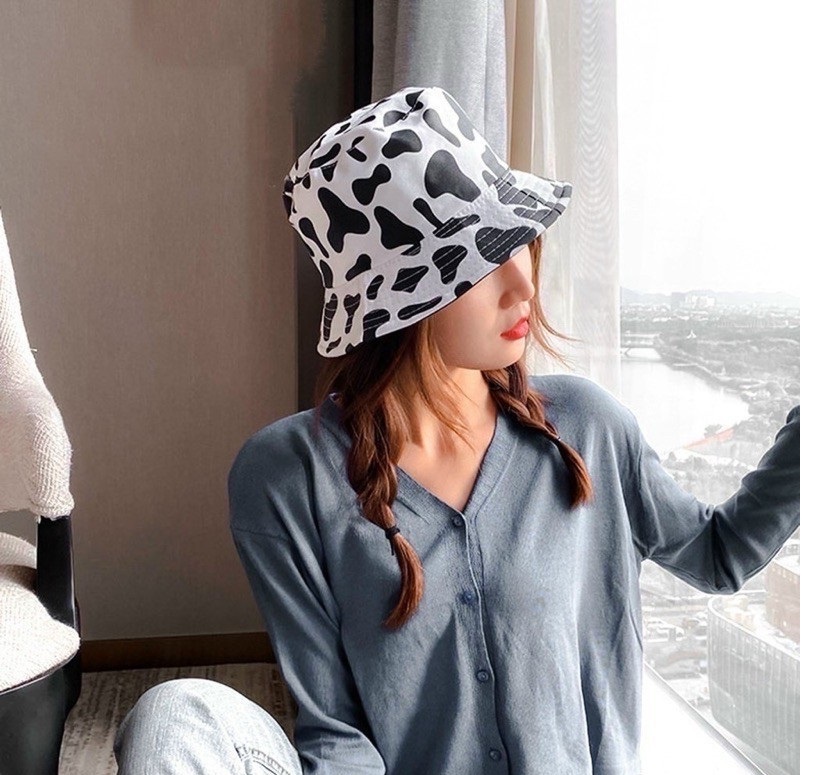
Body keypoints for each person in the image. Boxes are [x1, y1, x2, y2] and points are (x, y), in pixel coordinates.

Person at [114, 86, 800, 774]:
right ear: (400, 293)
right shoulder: (286, 474)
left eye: (520, 244)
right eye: (484, 259)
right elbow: (334, 728)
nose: (523, 284)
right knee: (176, 714)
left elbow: (720, 555)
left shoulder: (587, 427)